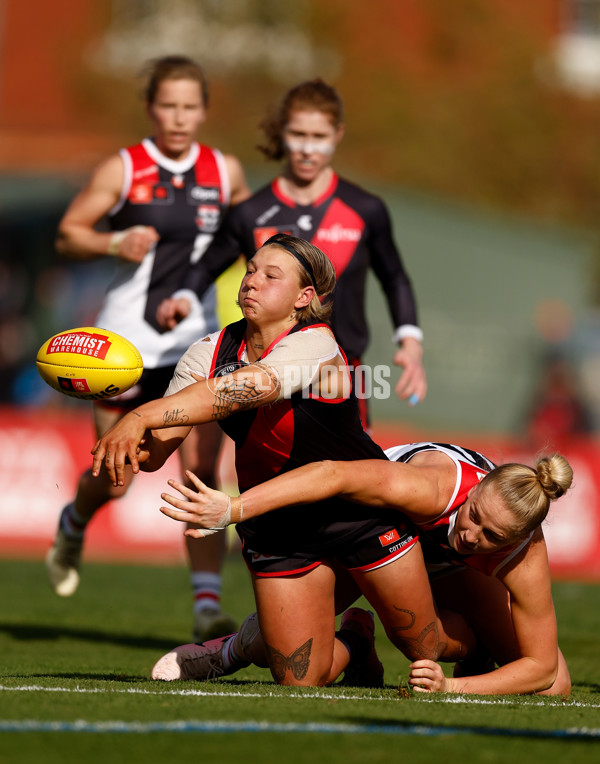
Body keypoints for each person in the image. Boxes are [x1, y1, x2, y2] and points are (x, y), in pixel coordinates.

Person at [90, 233, 477, 688]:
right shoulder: (207, 351)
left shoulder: (316, 342)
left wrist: (140, 414)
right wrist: (114, 407)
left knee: (425, 646)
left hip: (359, 511)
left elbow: (247, 388)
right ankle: (355, 642)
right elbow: (155, 453)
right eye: (251, 270)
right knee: (299, 678)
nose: (252, 281)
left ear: (303, 298)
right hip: (277, 522)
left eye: (271, 276)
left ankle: (487, 647)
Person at [46, 55, 251, 642]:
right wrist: (114, 240)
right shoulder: (126, 167)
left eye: (190, 106)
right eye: (169, 105)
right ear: (151, 109)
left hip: (197, 344)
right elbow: (68, 232)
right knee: (115, 475)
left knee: (202, 472)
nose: (179, 117)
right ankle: (74, 518)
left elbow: (245, 230)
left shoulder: (224, 170)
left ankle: (206, 607)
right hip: (124, 347)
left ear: (204, 109)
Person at [155, 441, 573, 696]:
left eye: (492, 536)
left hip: (438, 564)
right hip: (364, 537)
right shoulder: (427, 488)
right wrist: (233, 508)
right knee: (299, 669)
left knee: (556, 688)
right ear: (477, 485)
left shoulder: (524, 553)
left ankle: (466, 654)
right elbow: (331, 475)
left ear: (517, 538)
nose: (471, 534)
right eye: (475, 514)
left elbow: (543, 669)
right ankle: (238, 647)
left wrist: (454, 687)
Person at [155, 78, 426, 427]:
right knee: (264, 470)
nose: (307, 149)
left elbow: (395, 278)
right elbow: (206, 266)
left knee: (349, 474)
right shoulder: (250, 212)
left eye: (319, 137)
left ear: (338, 135)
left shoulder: (365, 209)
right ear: (282, 133)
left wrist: (410, 343)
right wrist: (183, 297)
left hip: (342, 371)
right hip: (266, 372)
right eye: (298, 134)